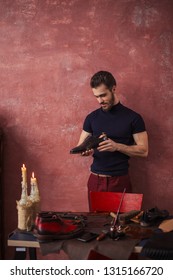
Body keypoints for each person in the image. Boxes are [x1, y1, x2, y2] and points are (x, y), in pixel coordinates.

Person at [76, 70, 148, 208]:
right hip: (95, 181)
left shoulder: (134, 118)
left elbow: (144, 151)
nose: (100, 101)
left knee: (122, 226)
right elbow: (80, 146)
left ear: (113, 88)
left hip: (120, 181)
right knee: (95, 225)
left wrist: (117, 146)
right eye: (96, 96)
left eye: (103, 95)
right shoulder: (91, 118)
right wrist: (84, 151)